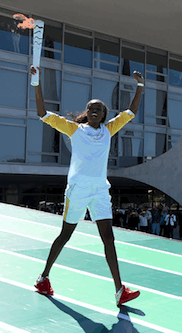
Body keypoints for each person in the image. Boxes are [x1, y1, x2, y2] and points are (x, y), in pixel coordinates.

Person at [31, 65, 144, 306]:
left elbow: (131, 111)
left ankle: (119, 290)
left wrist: (141, 87)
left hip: (100, 191)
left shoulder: (109, 130)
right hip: (78, 190)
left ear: (104, 114)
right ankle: (43, 278)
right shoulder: (75, 130)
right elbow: (42, 113)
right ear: (87, 112)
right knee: (65, 235)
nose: (94, 111)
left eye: (98, 109)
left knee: (109, 239)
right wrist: (37, 83)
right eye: (91, 108)